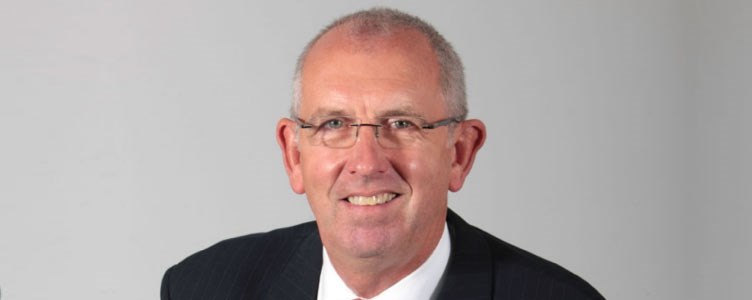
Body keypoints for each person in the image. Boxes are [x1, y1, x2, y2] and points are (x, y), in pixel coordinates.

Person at [161, 7, 604, 300]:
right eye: (334, 124)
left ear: (460, 153)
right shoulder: (202, 287)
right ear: (294, 155)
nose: (367, 163)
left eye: (402, 124)